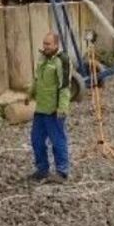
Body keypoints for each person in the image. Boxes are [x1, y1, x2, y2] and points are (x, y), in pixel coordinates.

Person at [25, 31, 72, 181]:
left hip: (54, 110)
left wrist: (62, 108)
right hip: (41, 108)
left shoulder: (62, 60)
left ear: (56, 45)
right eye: (44, 43)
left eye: (48, 44)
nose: (45, 46)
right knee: (36, 139)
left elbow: (64, 86)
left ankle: (62, 172)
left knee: (57, 140)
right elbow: (37, 79)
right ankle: (42, 169)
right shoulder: (42, 58)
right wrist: (30, 94)